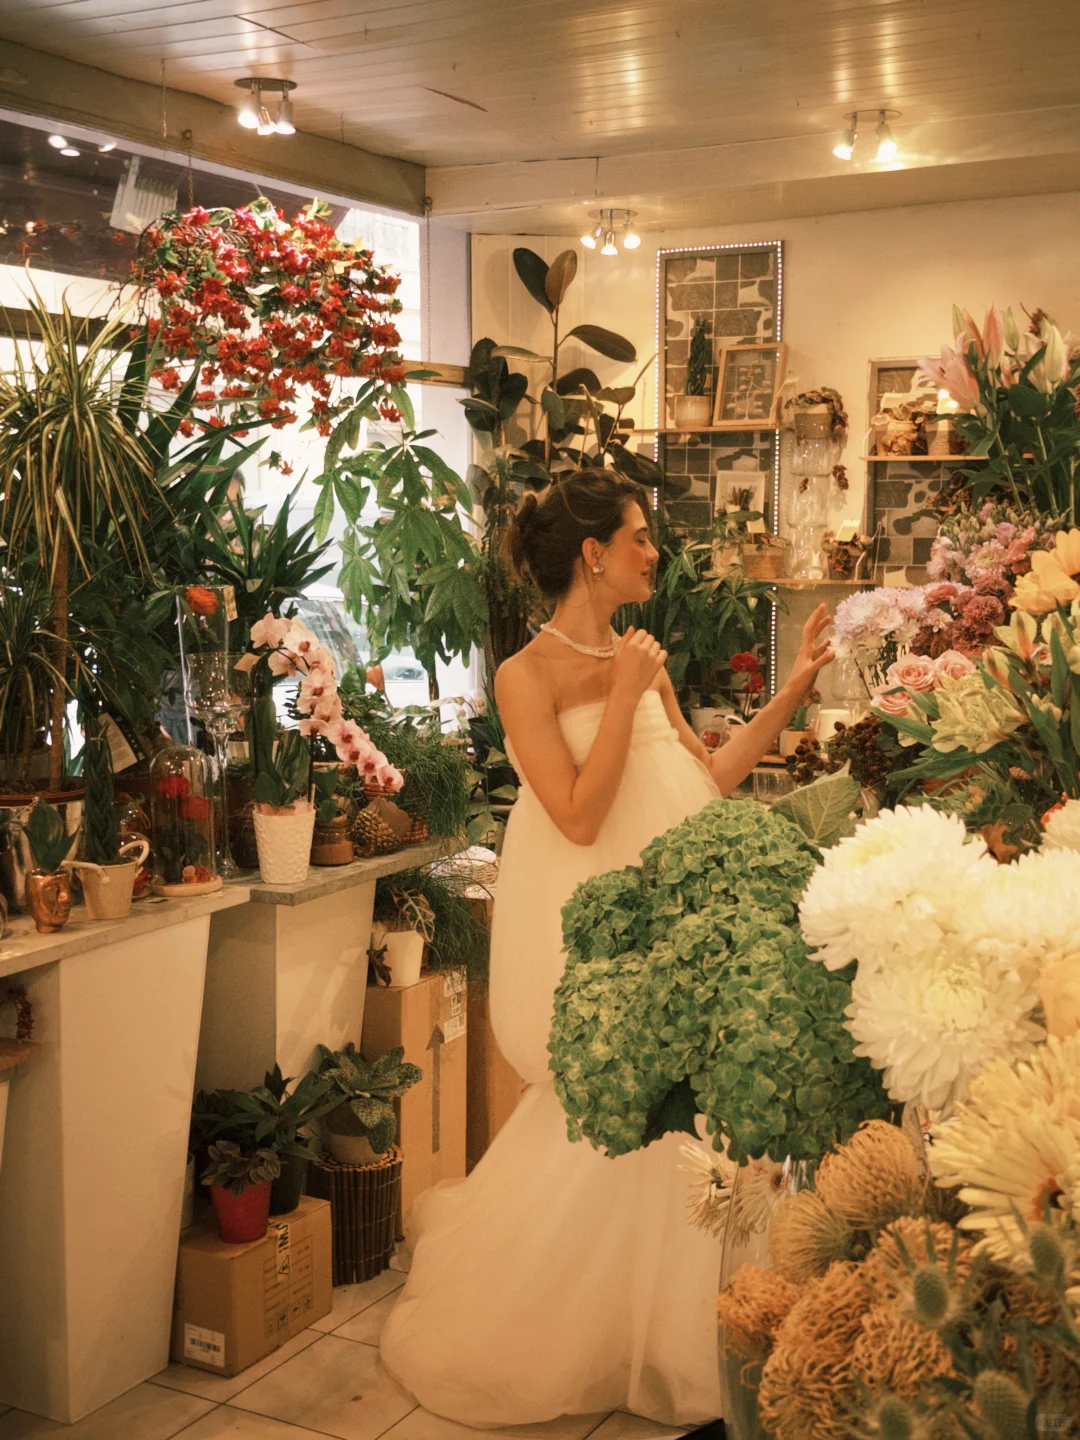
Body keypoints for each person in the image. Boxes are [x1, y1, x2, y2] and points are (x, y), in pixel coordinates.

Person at [380, 471, 833, 1426]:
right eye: (639, 538)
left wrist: (795, 687)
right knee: (622, 1113)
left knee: (699, 1118)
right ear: (592, 553)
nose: (653, 554)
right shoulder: (524, 677)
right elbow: (579, 817)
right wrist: (624, 691)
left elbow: (707, 777)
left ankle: (689, 1333)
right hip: (611, 932)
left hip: (685, 916)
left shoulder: (644, 658)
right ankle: (581, 1328)